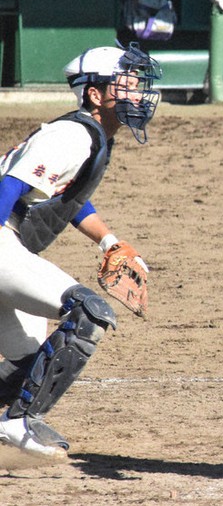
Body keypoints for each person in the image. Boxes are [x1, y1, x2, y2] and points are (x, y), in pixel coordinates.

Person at [0, 42, 161, 459]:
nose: (139, 94)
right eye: (127, 84)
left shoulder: (88, 136)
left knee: (27, 366)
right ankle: (17, 424)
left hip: (9, 244)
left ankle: (12, 417)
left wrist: (108, 240)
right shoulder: (72, 134)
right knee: (88, 312)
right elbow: (9, 188)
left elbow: (69, 197)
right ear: (95, 93)